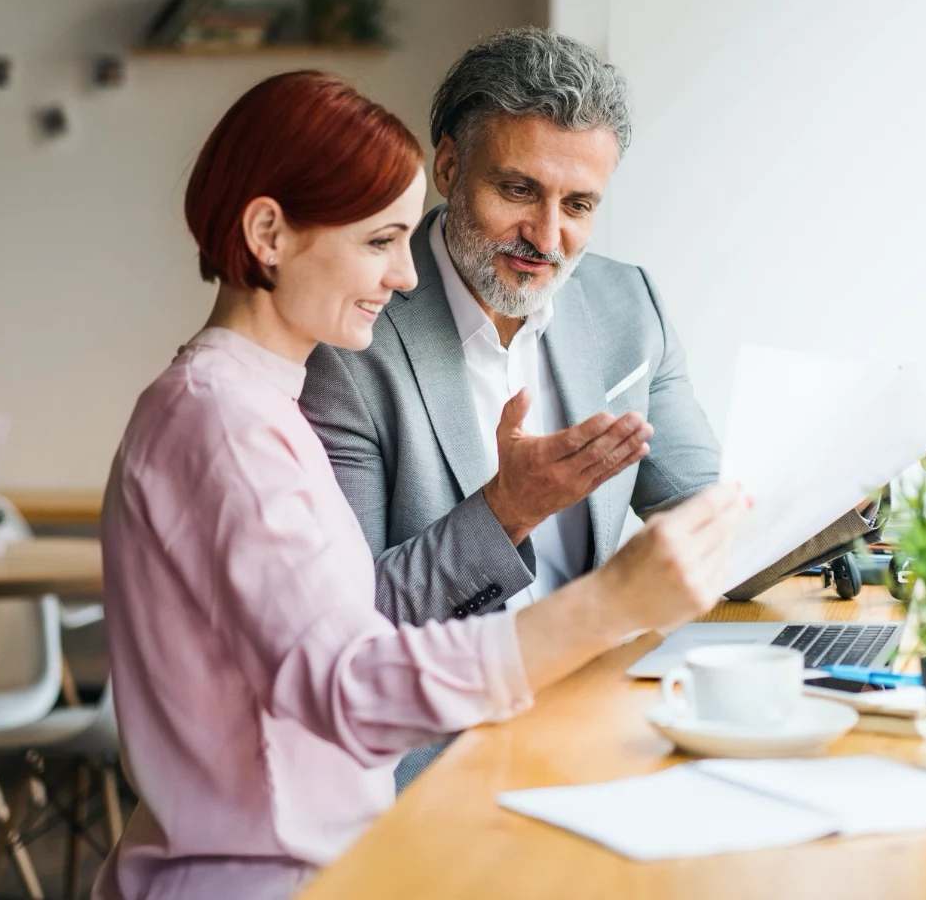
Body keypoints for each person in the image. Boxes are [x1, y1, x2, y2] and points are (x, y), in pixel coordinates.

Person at [96, 70, 747, 900]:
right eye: (379, 242)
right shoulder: (222, 427)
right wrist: (606, 605)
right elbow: (349, 685)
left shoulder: (253, 407)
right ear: (268, 233)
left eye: (407, 241)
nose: (407, 277)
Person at [304, 28, 926, 629]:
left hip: (593, 697)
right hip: (439, 742)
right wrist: (506, 511)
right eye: (517, 191)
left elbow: (724, 541)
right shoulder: (347, 339)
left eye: (578, 204)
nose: (547, 236)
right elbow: (349, 620)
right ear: (448, 168)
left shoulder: (628, 307)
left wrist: (882, 442)